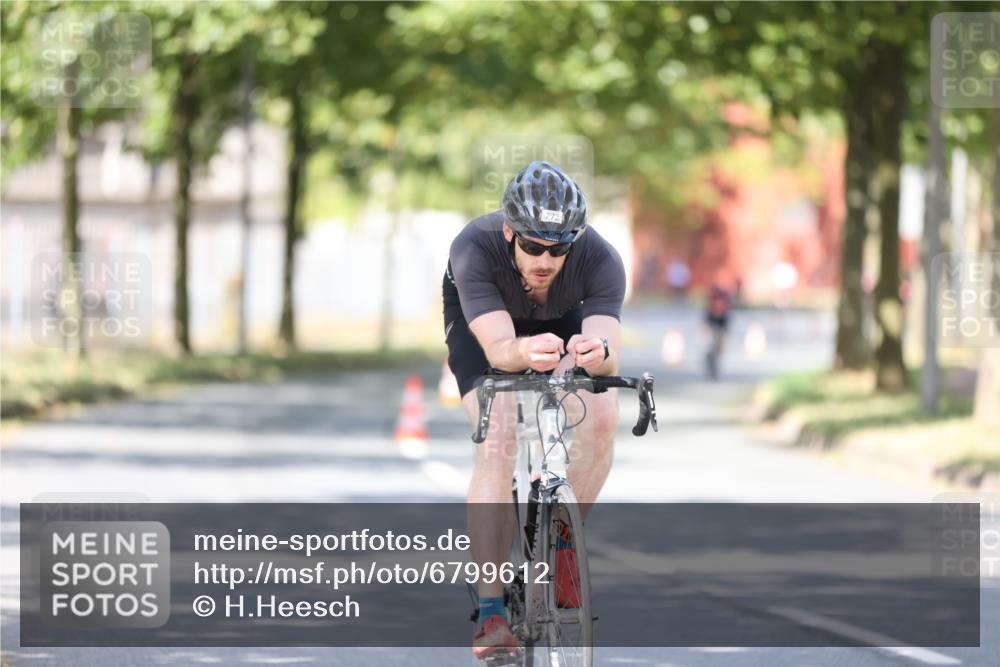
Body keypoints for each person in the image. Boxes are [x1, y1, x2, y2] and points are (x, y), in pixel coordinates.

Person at [442, 161, 625, 660]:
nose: (546, 259)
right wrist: (523, 353)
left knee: (602, 412)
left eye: (559, 248)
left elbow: (610, 348)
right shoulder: (474, 247)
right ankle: (492, 611)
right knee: (498, 437)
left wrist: (596, 353)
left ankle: (563, 545)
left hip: (561, 320)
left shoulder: (600, 257)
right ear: (510, 232)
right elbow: (501, 347)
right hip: (488, 327)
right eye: (533, 246)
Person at [704, 281, 734, 380]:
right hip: (713, 329)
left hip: (720, 330)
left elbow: (726, 322)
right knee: (711, 350)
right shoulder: (712, 306)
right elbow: (707, 319)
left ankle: (714, 369)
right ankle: (711, 367)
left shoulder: (724, 306)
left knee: (718, 351)